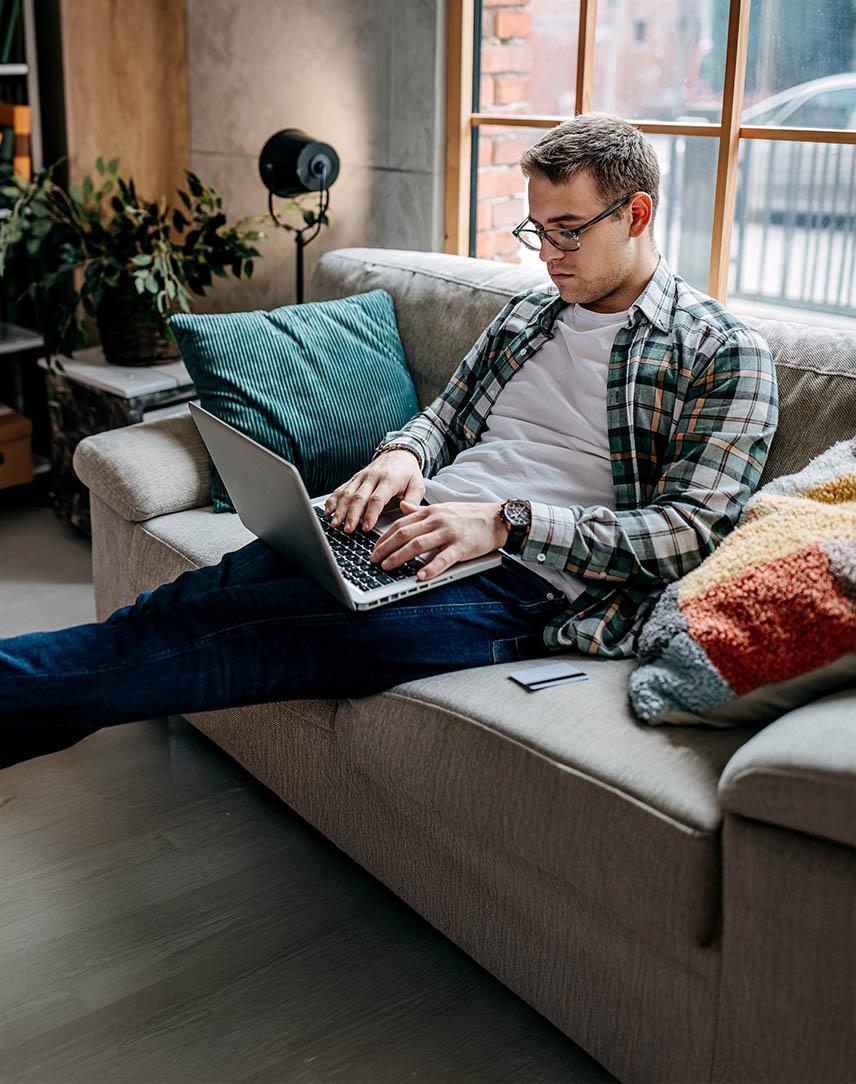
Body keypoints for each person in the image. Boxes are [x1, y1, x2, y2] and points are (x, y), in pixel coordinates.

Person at [0, 113, 778, 755]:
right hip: (412, 527)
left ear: (636, 214)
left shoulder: (720, 353)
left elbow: (689, 535)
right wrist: (403, 455)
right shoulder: (532, 315)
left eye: (568, 231)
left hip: (525, 584)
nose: (547, 255)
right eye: (535, 230)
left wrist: (502, 521)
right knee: (172, 609)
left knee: (224, 636)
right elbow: (446, 416)